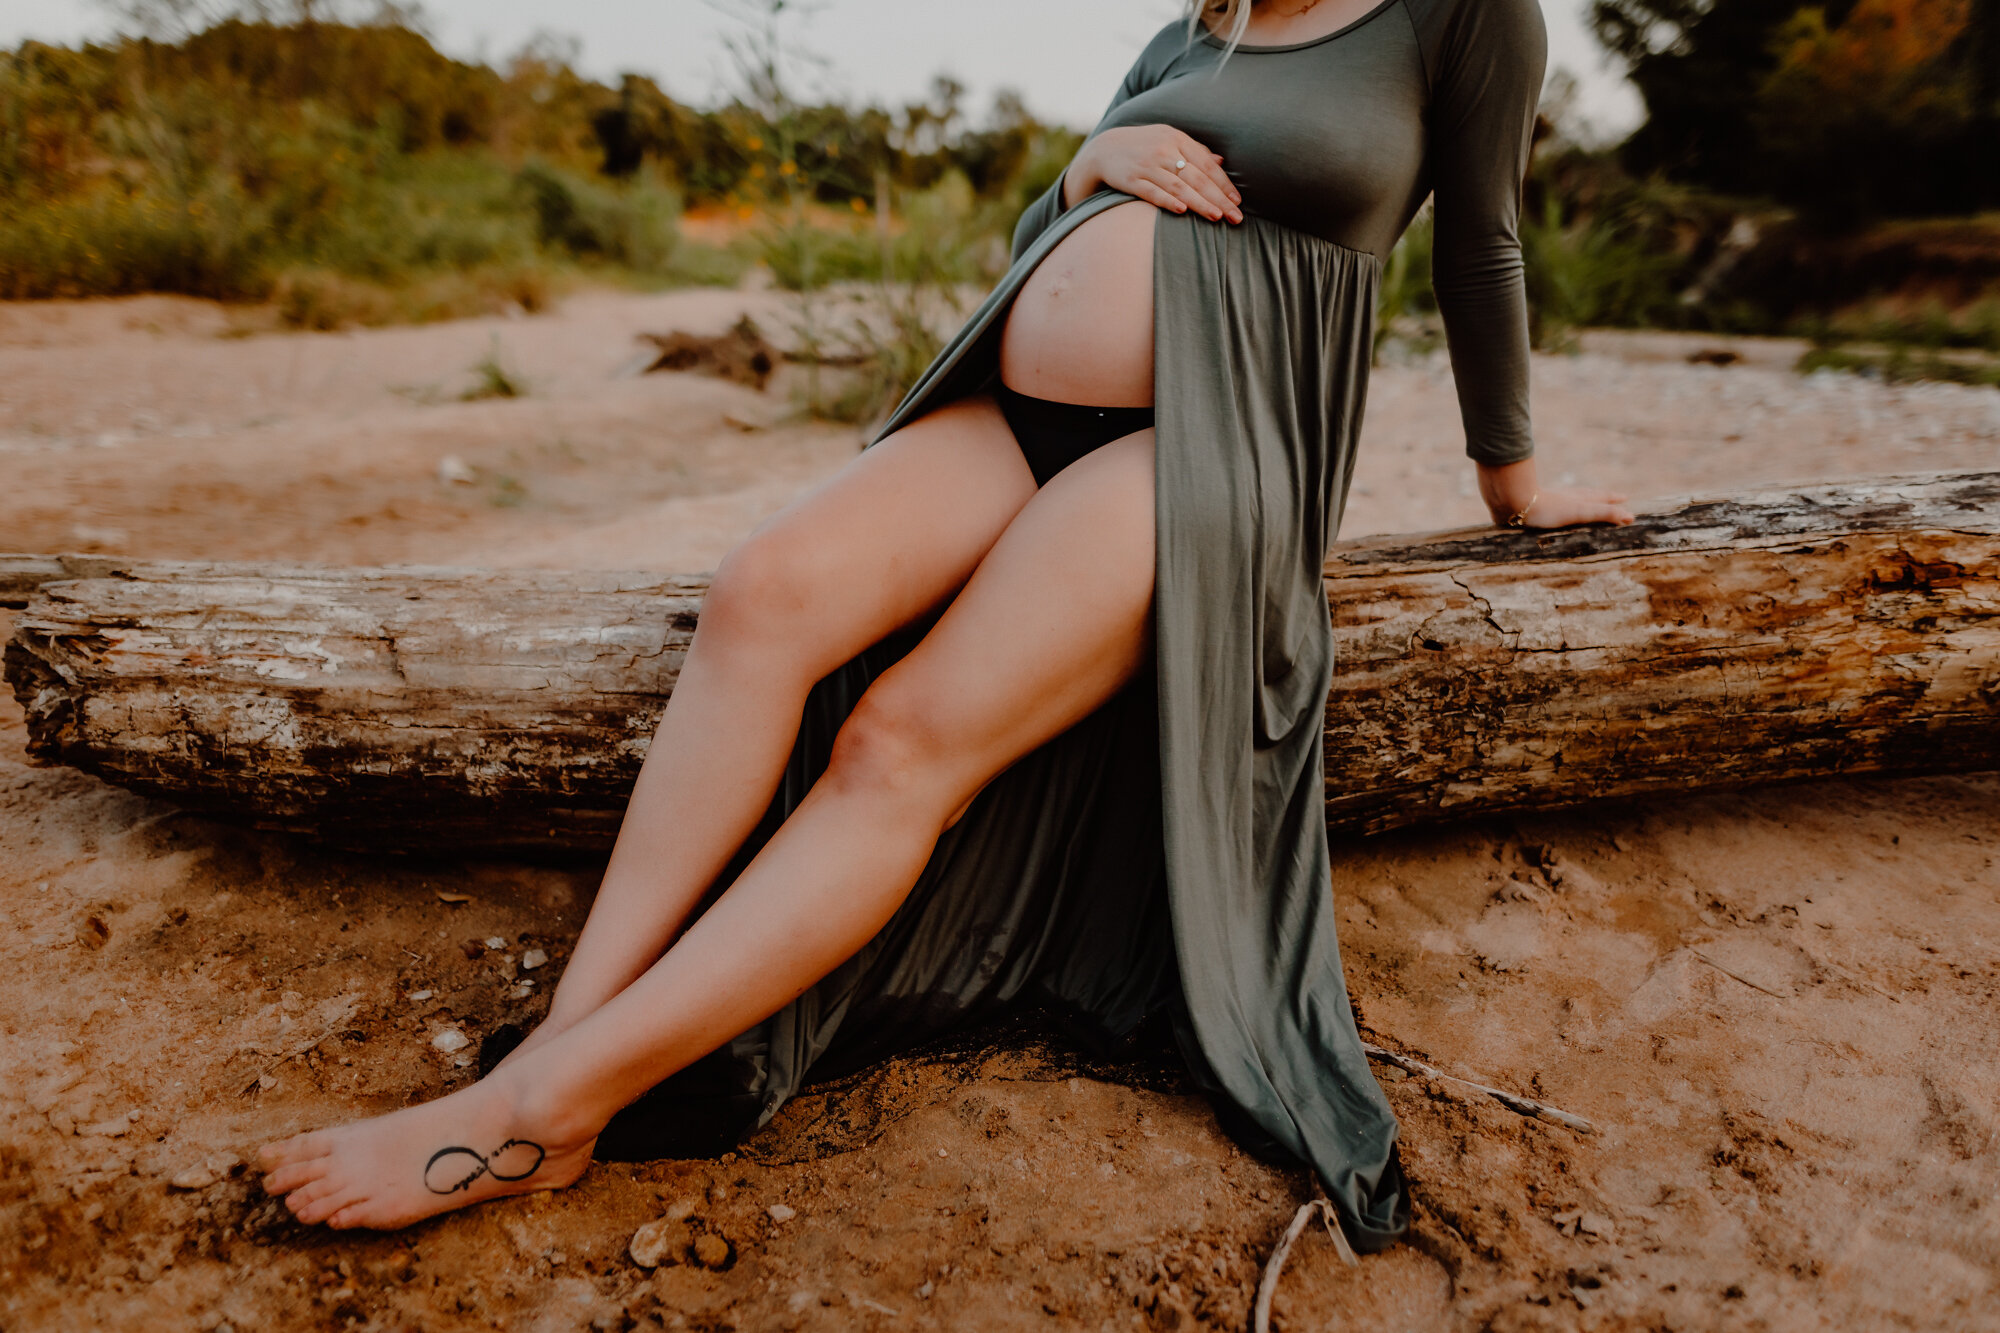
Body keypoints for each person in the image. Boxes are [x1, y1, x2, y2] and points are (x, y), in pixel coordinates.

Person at [260, 0, 1632, 1244]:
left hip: (1215, 441)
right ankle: (558, 1038)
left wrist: (1514, 490)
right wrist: (1089, 171)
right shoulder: (1192, 36)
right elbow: (1054, 230)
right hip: (1017, 413)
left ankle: (545, 1109)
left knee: (900, 739)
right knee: (763, 594)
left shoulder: (1464, 18)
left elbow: (1485, 241)